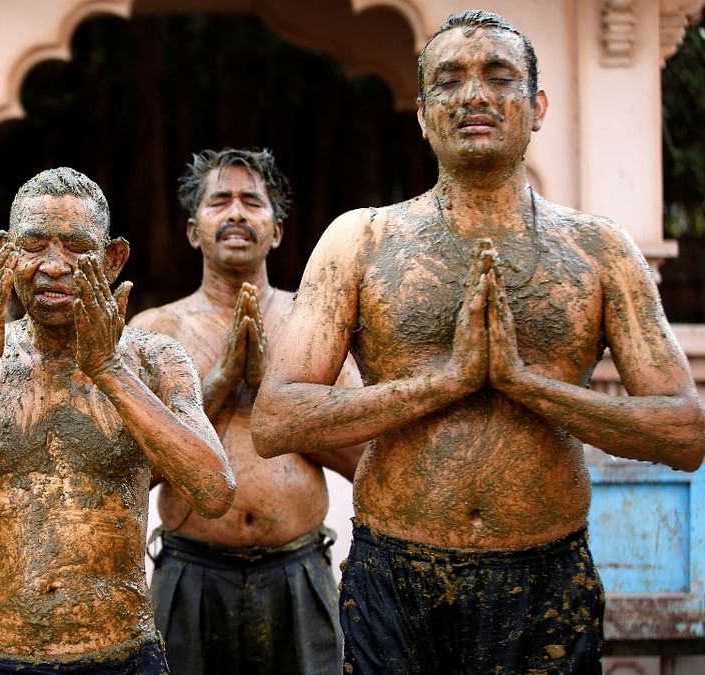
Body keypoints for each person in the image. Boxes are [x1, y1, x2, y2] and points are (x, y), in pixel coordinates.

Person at [251, 10, 705, 674]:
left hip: (546, 575)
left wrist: (525, 383)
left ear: (537, 105)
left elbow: (684, 431)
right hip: (396, 573)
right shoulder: (362, 240)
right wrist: (445, 381)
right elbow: (277, 416)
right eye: (449, 80)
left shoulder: (600, 249)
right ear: (422, 112)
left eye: (499, 75)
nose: (474, 96)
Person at [0, 167, 236, 674]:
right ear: (5, 253)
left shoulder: (156, 359)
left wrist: (108, 370)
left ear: (112, 259)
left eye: (77, 247)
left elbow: (214, 491)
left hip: (122, 652)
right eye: (34, 245)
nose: (55, 266)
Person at [130, 148, 362, 675]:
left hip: (298, 570)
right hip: (189, 573)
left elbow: (361, 458)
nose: (236, 212)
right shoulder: (154, 332)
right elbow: (129, 477)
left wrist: (266, 393)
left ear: (276, 230)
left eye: (251, 201)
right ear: (194, 230)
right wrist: (215, 387)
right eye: (220, 201)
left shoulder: (314, 325)